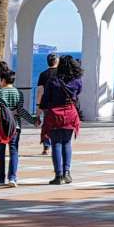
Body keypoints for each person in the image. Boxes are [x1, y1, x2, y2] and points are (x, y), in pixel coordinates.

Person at [41, 56, 83, 184]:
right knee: (67, 143)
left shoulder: (53, 81)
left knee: (56, 144)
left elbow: (46, 99)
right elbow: (77, 94)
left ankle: (58, 175)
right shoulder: (77, 81)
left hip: (55, 114)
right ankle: (67, 173)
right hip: (70, 113)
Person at [0, 66, 23, 186]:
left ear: (3, 80)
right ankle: (12, 177)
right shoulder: (19, 93)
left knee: (0, 152)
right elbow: (21, 111)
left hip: (1, 126)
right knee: (14, 150)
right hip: (15, 126)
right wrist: (34, 120)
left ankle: (0, 177)